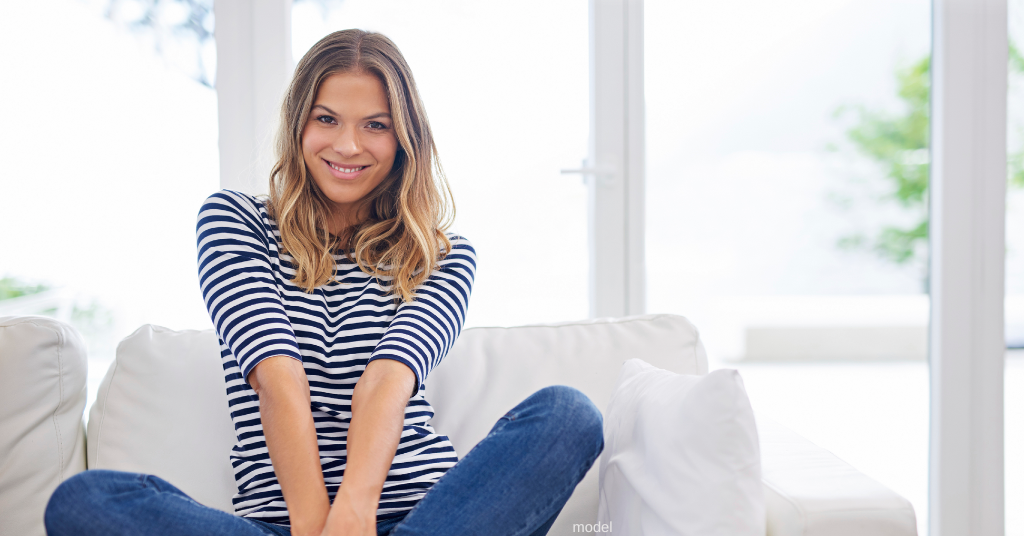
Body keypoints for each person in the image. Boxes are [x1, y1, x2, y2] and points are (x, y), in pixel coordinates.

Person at [44, 29, 603, 536]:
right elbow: (277, 377)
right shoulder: (233, 222)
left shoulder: (442, 255)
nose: (348, 146)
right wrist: (316, 526)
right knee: (86, 501)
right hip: (288, 526)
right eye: (327, 118)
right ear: (298, 124)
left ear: (405, 139)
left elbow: (386, 382)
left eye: (375, 125)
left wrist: (354, 515)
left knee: (568, 416)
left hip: (431, 519)